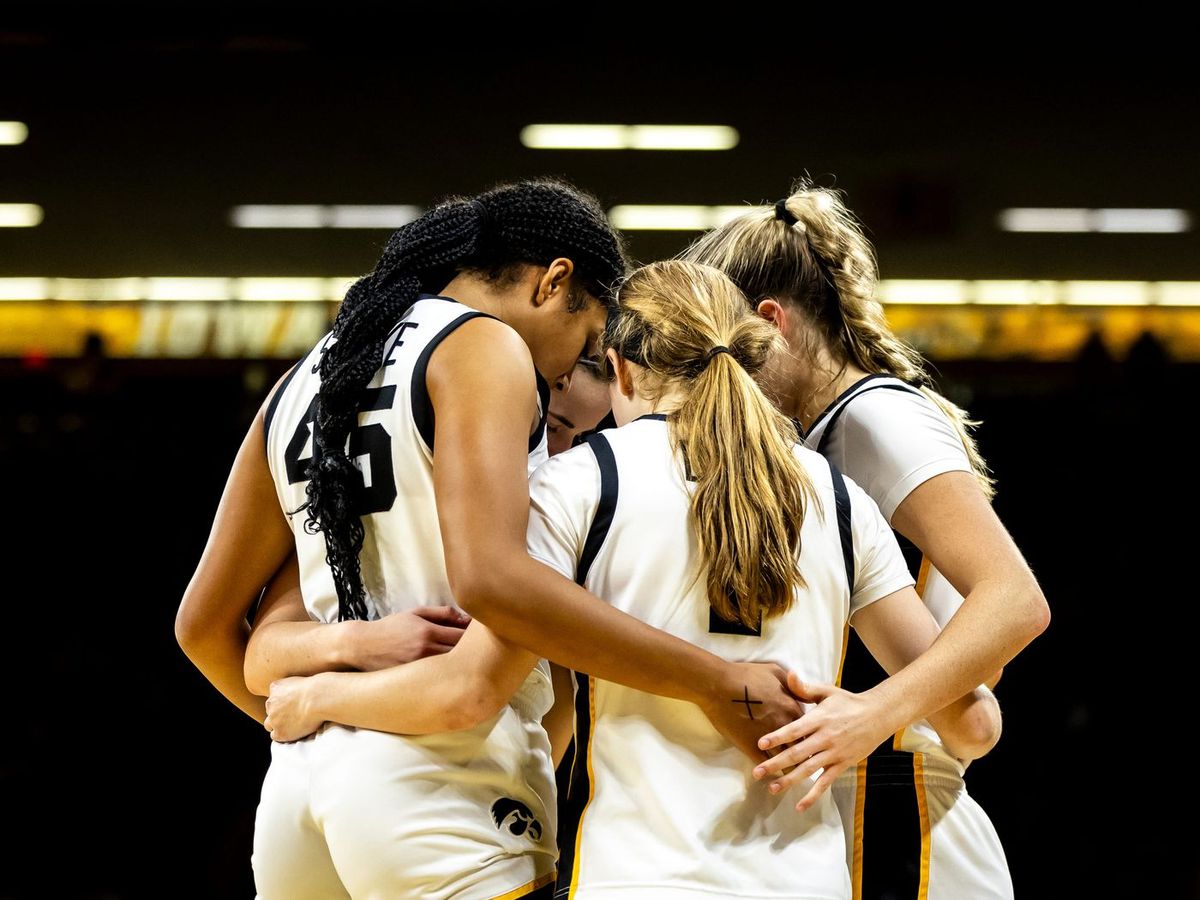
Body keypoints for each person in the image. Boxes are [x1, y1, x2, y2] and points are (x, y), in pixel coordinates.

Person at [262, 260, 1002, 899]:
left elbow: (466, 689)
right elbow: (971, 725)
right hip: (805, 881)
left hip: (632, 875)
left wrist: (319, 696)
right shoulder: (840, 500)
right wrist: (857, 716)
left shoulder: (579, 484)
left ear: (618, 367)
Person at [176, 179, 804, 900]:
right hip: (444, 785)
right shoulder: (483, 345)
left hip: (299, 795)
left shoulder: (306, 377)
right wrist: (718, 681)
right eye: (589, 337)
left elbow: (203, 626)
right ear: (554, 281)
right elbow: (491, 582)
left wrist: (315, 718)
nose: (571, 371)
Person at [682, 184, 1051, 899]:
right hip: (864, 803)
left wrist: (873, 712)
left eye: (728, 351)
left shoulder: (875, 418)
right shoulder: (821, 431)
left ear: (771, 323)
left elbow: (1015, 600)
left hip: (903, 814)